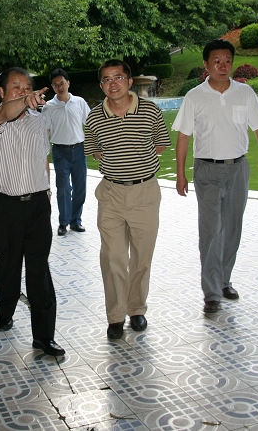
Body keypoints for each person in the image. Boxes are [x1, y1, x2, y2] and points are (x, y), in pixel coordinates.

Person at [172, 39, 258, 314]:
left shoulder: (245, 93)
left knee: (232, 228)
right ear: (206, 64)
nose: (223, 66)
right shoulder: (194, 96)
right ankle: (211, 293)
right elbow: (183, 137)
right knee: (211, 232)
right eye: (217, 61)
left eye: (227, 61)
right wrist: (180, 174)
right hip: (207, 170)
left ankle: (223, 281)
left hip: (238, 168)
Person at [0, 67, 65, 357]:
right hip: (5, 207)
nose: (24, 91)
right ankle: (5, 310)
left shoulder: (39, 120)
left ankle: (44, 336)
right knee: (9, 266)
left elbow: (43, 158)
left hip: (37, 205)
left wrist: (47, 189)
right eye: (16, 86)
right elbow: (7, 112)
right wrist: (23, 101)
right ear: (1, 91)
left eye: (28, 87)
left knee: (39, 270)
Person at [84, 60, 171, 340]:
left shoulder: (150, 111)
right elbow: (95, 151)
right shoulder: (94, 118)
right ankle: (115, 315)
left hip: (145, 192)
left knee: (142, 257)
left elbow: (160, 144)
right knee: (113, 257)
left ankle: (136, 309)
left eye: (118, 77)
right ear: (101, 85)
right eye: (107, 79)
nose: (113, 84)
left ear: (130, 81)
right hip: (111, 193)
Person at [40, 68, 90, 236]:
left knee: (80, 188)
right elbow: (45, 131)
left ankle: (76, 221)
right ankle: (63, 222)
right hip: (60, 152)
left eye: (62, 83)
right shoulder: (49, 107)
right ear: (52, 87)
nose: (59, 87)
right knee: (63, 188)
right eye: (55, 85)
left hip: (79, 150)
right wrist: (43, 152)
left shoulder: (79, 102)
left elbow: (90, 124)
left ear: (68, 83)